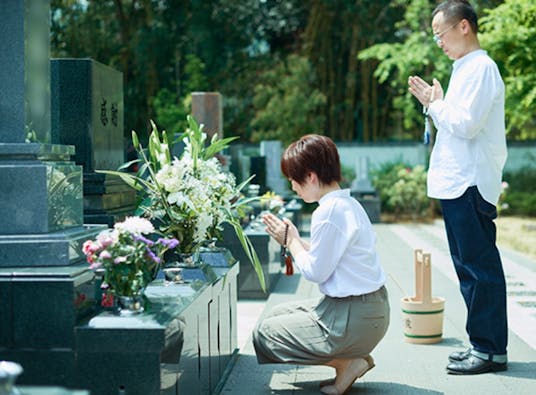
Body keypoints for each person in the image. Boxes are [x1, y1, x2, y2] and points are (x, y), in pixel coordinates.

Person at [408, 0, 508, 375]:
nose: (439, 43)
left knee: (480, 269)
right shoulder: (464, 68)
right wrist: (436, 104)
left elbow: (465, 125)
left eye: (441, 34)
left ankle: (489, 349)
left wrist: (436, 105)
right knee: (469, 268)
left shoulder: (482, 68)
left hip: (469, 182)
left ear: (463, 27)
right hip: (456, 182)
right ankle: (483, 345)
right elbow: (458, 122)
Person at [252, 134, 390, 395]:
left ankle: (348, 363)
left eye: (294, 179)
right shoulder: (348, 204)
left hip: (353, 316)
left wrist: (291, 241)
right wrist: (292, 239)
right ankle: (348, 361)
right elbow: (327, 255)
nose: (293, 187)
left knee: (265, 334)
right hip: (368, 310)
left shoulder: (327, 212)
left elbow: (315, 271)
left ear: (311, 176)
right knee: (276, 316)